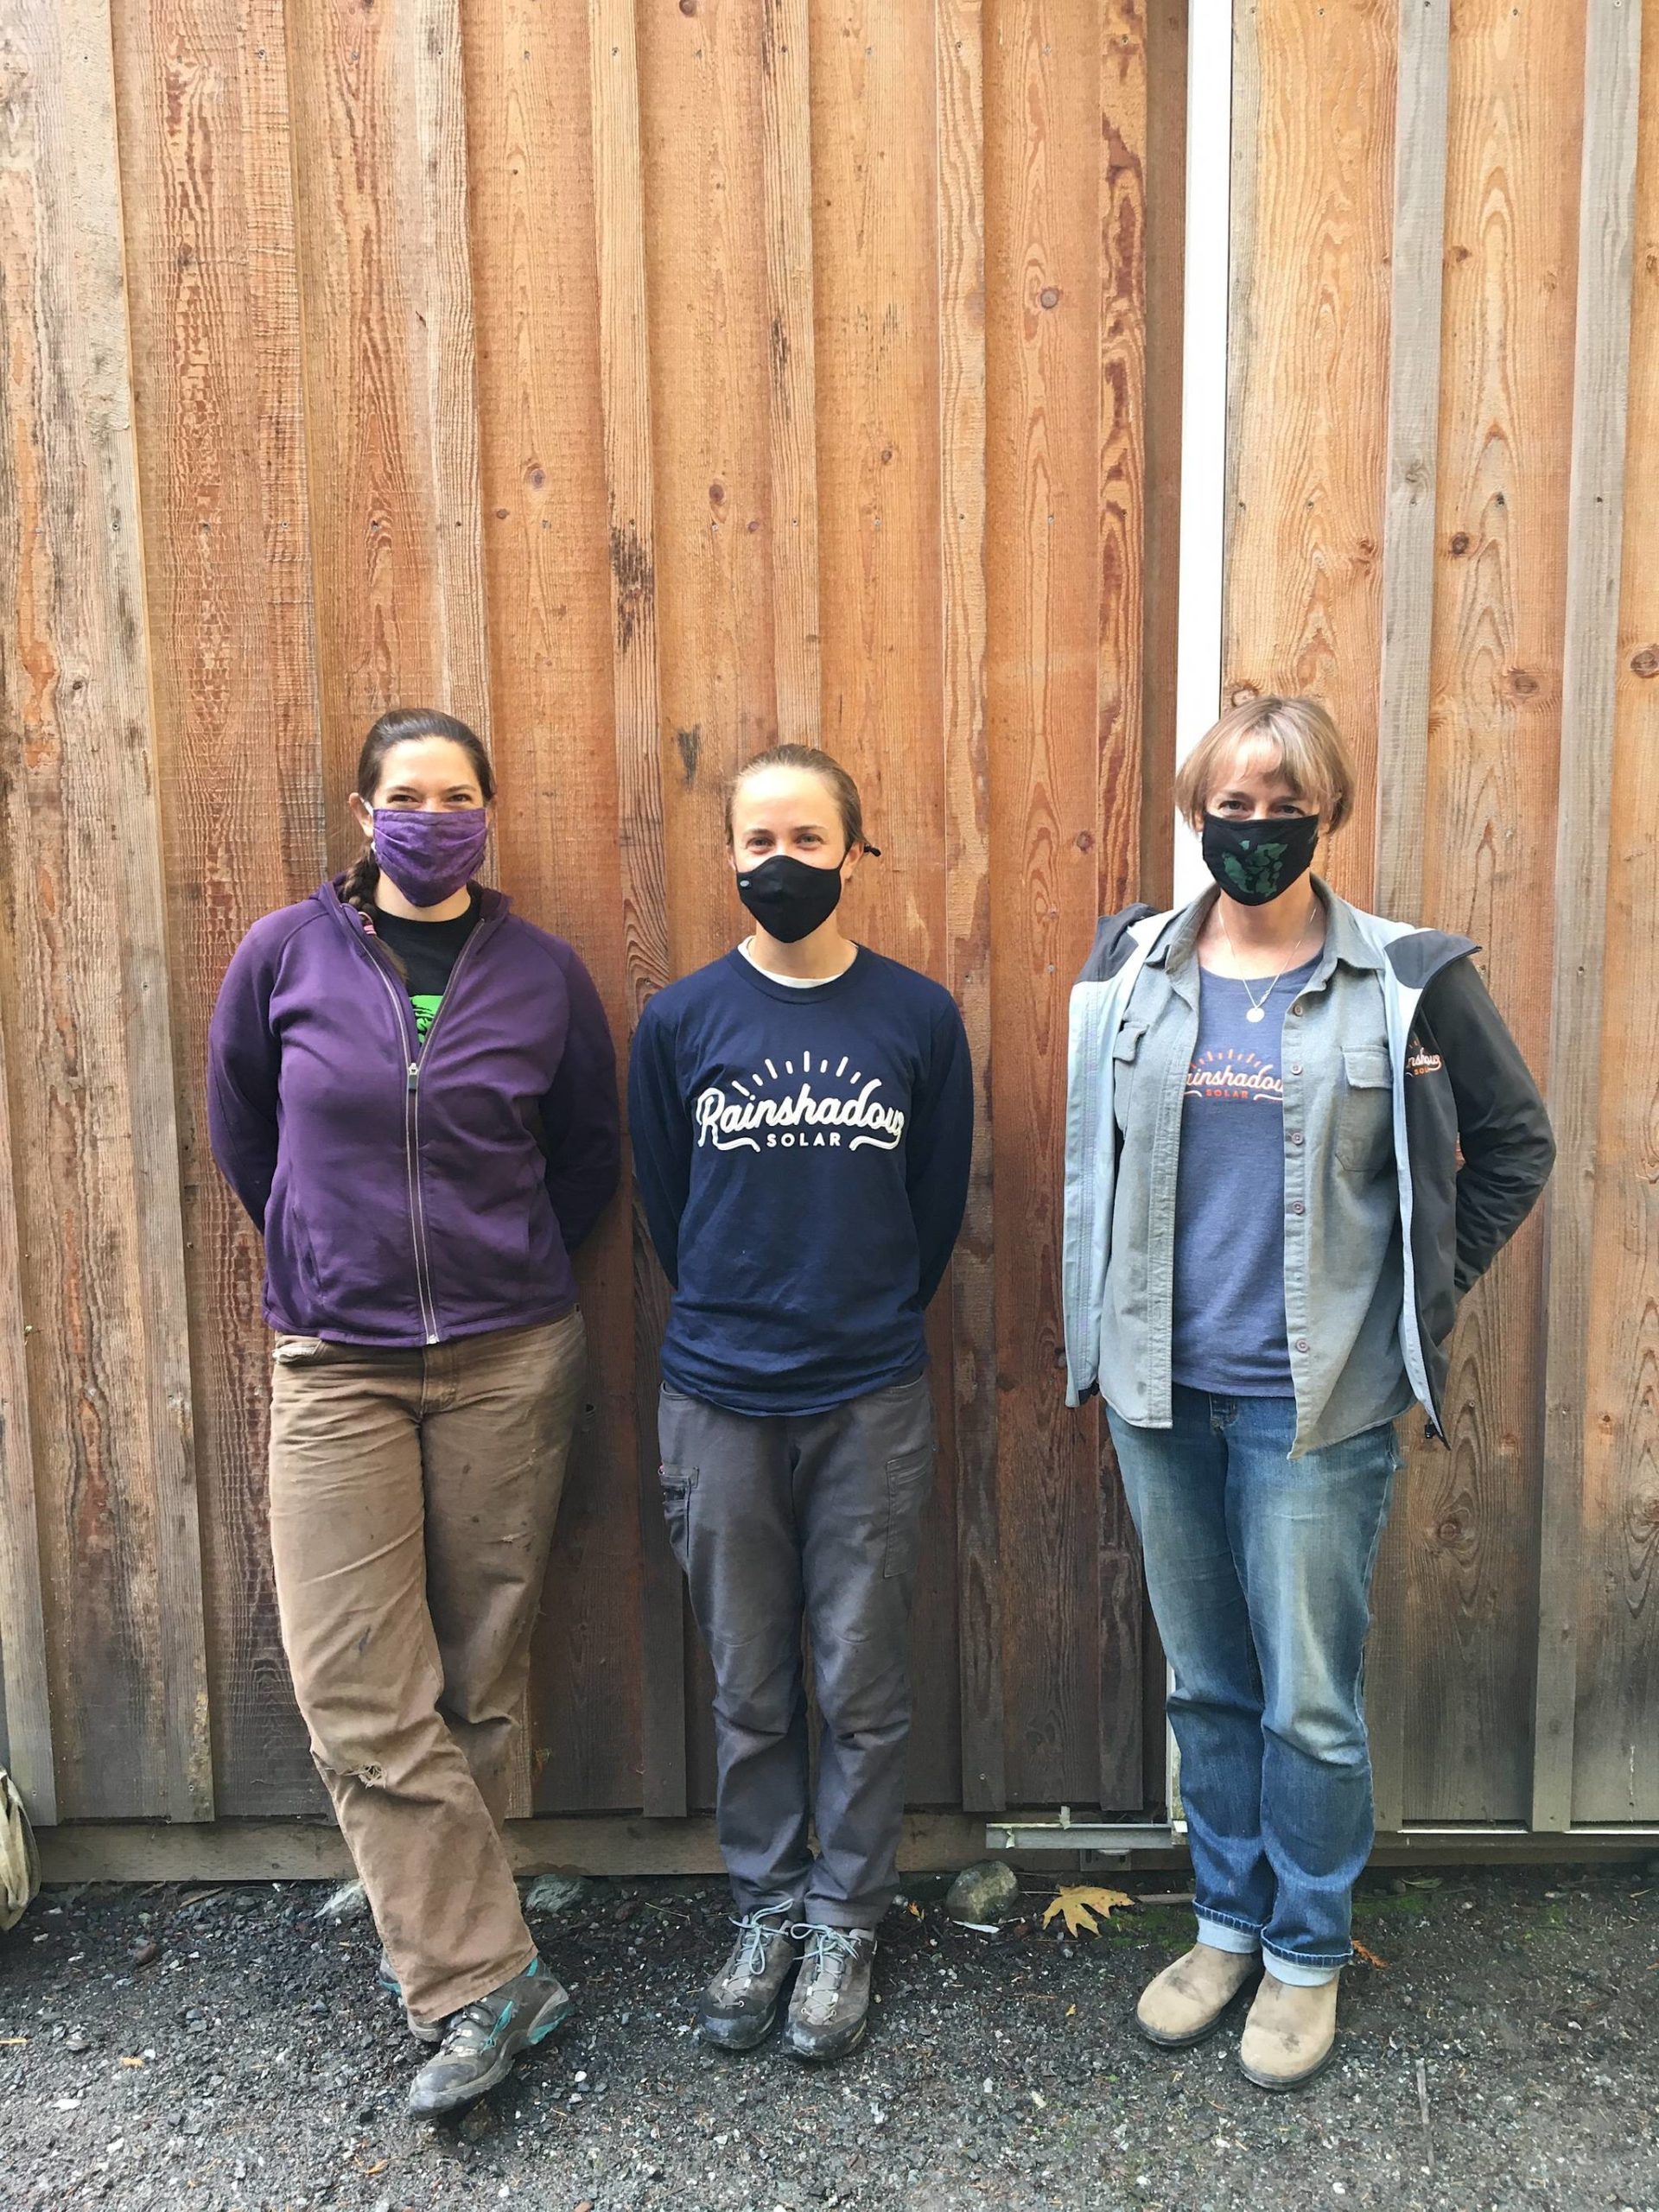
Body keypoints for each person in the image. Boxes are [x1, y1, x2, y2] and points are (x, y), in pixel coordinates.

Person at [1062, 696, 1553, 2089]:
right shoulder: (1135, 967)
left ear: (1325, 812)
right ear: (1193, 807)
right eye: (1234, 802)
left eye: (1285, 806)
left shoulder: (1409, 979)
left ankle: (1305, 1954)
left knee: (1308, 1703)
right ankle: (1224, 1925)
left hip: (1314, 1408)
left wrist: (1418, 1290)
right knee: (1209, 1686)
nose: (1256, 828)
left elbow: (1514, 1144)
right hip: (1161, 1392)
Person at [207, 707, 620, 2117]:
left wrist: (506, 1275)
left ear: (487, 814)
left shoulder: (546, 975)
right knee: (355, 1681)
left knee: (482, 1659)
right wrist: (332, 1259)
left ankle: (449, 1921)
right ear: (363, 808)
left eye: (456, 796)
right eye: (406, 794)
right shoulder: (284, 956)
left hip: (510, 1355)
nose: (431, 817)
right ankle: (476, 1976)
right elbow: (247, 1136)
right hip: (337, 1361)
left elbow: (584, 1160)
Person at [628, 743, 972, 2063]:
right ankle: (767, 1908)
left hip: (867, 1394)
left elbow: (931, 1209)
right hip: (718, 1394)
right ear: (731, 856)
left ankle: (846, 1919)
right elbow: (667, 1207)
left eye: (809, 840)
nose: (783, 863)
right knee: (753, 1682)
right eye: (759, 840)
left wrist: (858, 1314)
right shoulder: (682, 1022)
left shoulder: (915, 1017)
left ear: (853, 850)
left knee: (862, 1675)